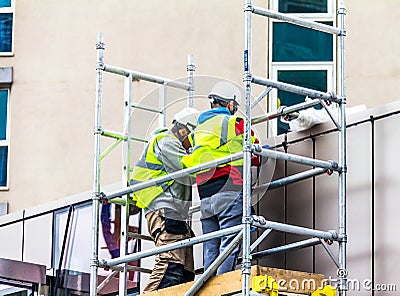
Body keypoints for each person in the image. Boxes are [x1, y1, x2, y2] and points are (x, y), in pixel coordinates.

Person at [181, 81, 260, 276]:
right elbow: (255, 151)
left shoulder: (198, 131)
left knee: (211, 246)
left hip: (205, 195)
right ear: (230, 104)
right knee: (230, 244)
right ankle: (221, 288)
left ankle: (209, 287)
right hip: (229, 189)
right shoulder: (234, 123)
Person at [129, 107, 200, 292]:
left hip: (171, 212)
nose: (193, 144)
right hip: (164, 210)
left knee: (185, 272)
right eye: (194, 137)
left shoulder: (167, 143)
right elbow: (189, 172)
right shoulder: (166, 141)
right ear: (185, 130)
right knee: (170, 265)